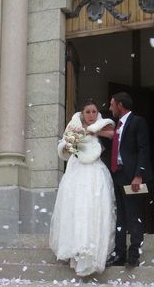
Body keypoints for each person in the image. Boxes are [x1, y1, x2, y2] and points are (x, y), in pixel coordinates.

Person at [49, 100, 116, 276]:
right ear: (82, 113)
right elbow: (66, 148)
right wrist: (80, 136)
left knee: (94, 208)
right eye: (88, 112)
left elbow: (112, 134)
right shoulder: (75, 127)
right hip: (77, 171)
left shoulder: (103, 125)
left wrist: (94, 131)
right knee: (77, 207)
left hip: (95, 171)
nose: (91, 115)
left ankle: (93, 251)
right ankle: (76, 248)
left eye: (94, 111)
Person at [99, 92, 150, 267]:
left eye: (112, 104)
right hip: (118, 173)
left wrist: (139, 175)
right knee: (120, 215)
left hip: (132, 175)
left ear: (120, 105)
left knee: (133, 214)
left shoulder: (137, 121)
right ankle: (119, 253)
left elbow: (143, 149)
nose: (110, 108)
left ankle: (134, 254)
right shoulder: (116, 126)